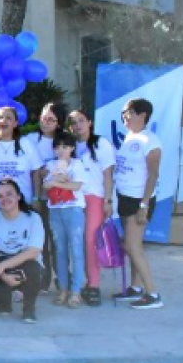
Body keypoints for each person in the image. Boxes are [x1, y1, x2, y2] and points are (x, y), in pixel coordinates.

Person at [114, 98, 163, 309]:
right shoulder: (129, 136)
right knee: (132, 245)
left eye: (128, 112)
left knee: (132, 246)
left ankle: (153, 294)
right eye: (123, 113)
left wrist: (144, 205)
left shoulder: (151, 141)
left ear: (142, 115)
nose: (124, 117)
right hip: (124, 197)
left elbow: (153, 176)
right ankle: (135, 288)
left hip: (139, 200)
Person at [69, 109, 116, 307]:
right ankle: (75, 285)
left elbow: (108, 175)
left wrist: (108, 200)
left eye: (81, 120)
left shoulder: (100, 144)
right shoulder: (69, 145)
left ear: (89, 122)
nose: (78, 125)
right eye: (73, 122)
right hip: (72, 198)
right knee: (75, 242)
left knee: (90, 242)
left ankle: (94, 285)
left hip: (94, 198)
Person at [0, 179, 45, 323]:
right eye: (0, 196)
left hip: (26, 263)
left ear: (19, 196)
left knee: (33, 269)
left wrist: (1, 266)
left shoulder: (33, 218)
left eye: (9, 194)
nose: (4, 199)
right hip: (3, 263)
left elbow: (33, 251)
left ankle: (29, 309)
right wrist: (3, 275)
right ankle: (5, 302)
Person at [42, 132, 88, 309]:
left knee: (76, 250)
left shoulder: (77, 164)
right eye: (58, 147)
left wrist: (56, 182)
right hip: (55, 210)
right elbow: (45, 185)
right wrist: (55, 180)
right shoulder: (51, 164)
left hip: (74, 209)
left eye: (65, 147)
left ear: (72, 148)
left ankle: (76, 291)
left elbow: (77, 185)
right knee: (60, 251)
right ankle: (63, 289)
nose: (61, 150)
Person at [28, 103, 68, 292]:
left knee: (59, 240)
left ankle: (63, 278)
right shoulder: (30, 139)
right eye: (44, 118)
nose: (46, 122)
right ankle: (45, 278)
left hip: (60, 199)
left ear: (59, 123)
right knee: (41, 241)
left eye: (51, 120)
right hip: (38, 197)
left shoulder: (64, 140)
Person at [0, 106, 43, 218]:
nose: (4, 120)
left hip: (22, 204)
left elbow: (36, 172)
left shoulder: (25, 143)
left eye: (8, 118)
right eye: (1, 117)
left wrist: (36, 198)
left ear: (15, 123)